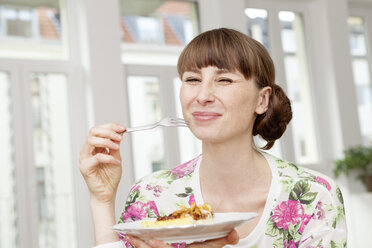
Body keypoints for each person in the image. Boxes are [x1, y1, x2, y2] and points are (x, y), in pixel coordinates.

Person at [79, 28, 347, 248]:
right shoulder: (151, 195)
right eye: (192, 79)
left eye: (225, 80)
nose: (202, 96)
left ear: (262, 100)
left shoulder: (314, 196)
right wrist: (101, 201)